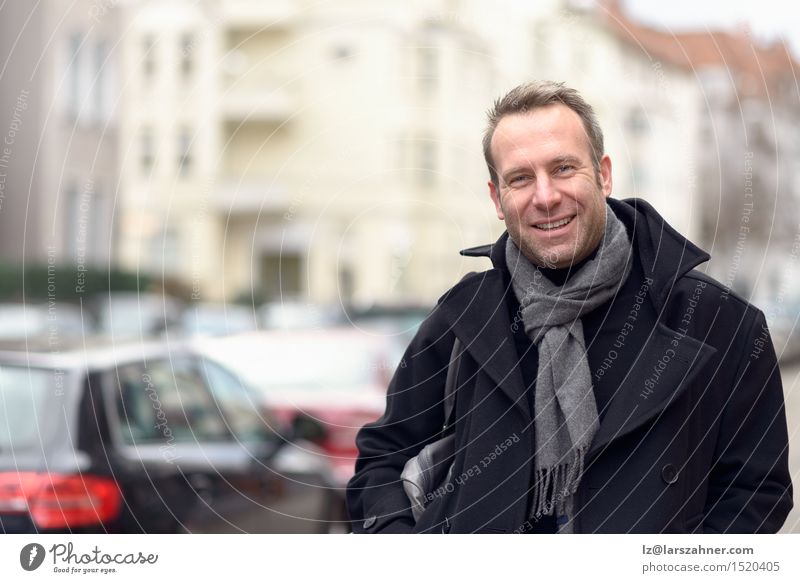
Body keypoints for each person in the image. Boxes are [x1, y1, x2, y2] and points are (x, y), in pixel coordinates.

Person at [345, 81, 793, 533]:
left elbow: (755, 492)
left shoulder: (717, 321)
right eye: (520, 178)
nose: (545, 196)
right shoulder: (461, 323)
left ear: (603, 174)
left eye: (563, 168)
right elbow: (382, 460)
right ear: (497, 199)